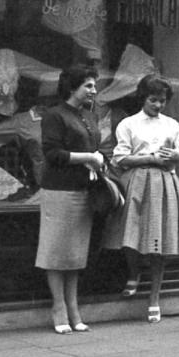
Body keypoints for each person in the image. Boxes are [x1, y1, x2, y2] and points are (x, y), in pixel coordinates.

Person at [104, 74, 179, 323]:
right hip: (137, 181)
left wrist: (177, 155)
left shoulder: (171, 124)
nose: (158, 105)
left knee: (159, 240)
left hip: (164, 183)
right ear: (143, 98)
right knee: (130, 234)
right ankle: (134, 272)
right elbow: (119, 158)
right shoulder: (129, 124)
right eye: (153, 100)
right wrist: (151, 159)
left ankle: (154, 297)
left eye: (162, 101)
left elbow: (178, 152)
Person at [36, 64, 105, 334]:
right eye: (88, 85)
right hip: (59, 191)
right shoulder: (54, 115)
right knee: (56, 251)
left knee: (75, 253)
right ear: (72, 87)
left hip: (84, 190)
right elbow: (53, 154)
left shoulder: (89, 116)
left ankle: (74, 307)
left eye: (93, 85)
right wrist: (89, 158)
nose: (94, 90)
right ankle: (59, 307)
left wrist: (99, 160)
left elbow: (94, 149)